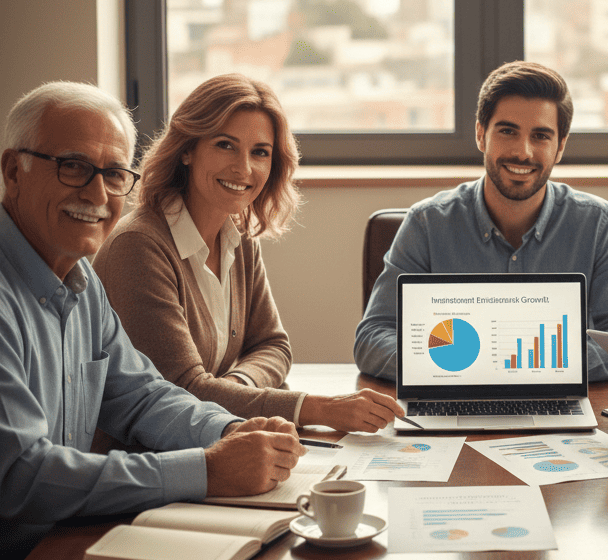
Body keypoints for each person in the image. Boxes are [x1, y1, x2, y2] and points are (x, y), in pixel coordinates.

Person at [0, 81, 304, 560]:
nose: (97, 193)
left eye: (115, 173)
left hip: (67, 545)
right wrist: (207, 470)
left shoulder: (80, 281)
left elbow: (142, 396)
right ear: (14, 171)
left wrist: (230, 430)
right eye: (73, 167)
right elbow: (21, 478)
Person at [93, 74, 403, 432]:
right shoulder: (138, 247)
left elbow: (273, 346)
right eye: (225, 145)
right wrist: (318, 409)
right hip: (142, 460)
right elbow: (184, 391)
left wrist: (234, 386)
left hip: (212, 437)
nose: (244, 168)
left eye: (260, 152)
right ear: (187, 150)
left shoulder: (238, 235)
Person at [354, 60, 608, 381]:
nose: (523, 152)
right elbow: (373, 337)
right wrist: (469, 367)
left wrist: (514, 367)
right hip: (455, 397)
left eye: (540, 136)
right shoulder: (426, 224)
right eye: (508, 131)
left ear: (560, 148)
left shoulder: (599, 225)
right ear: (481, 135)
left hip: (560, 404)